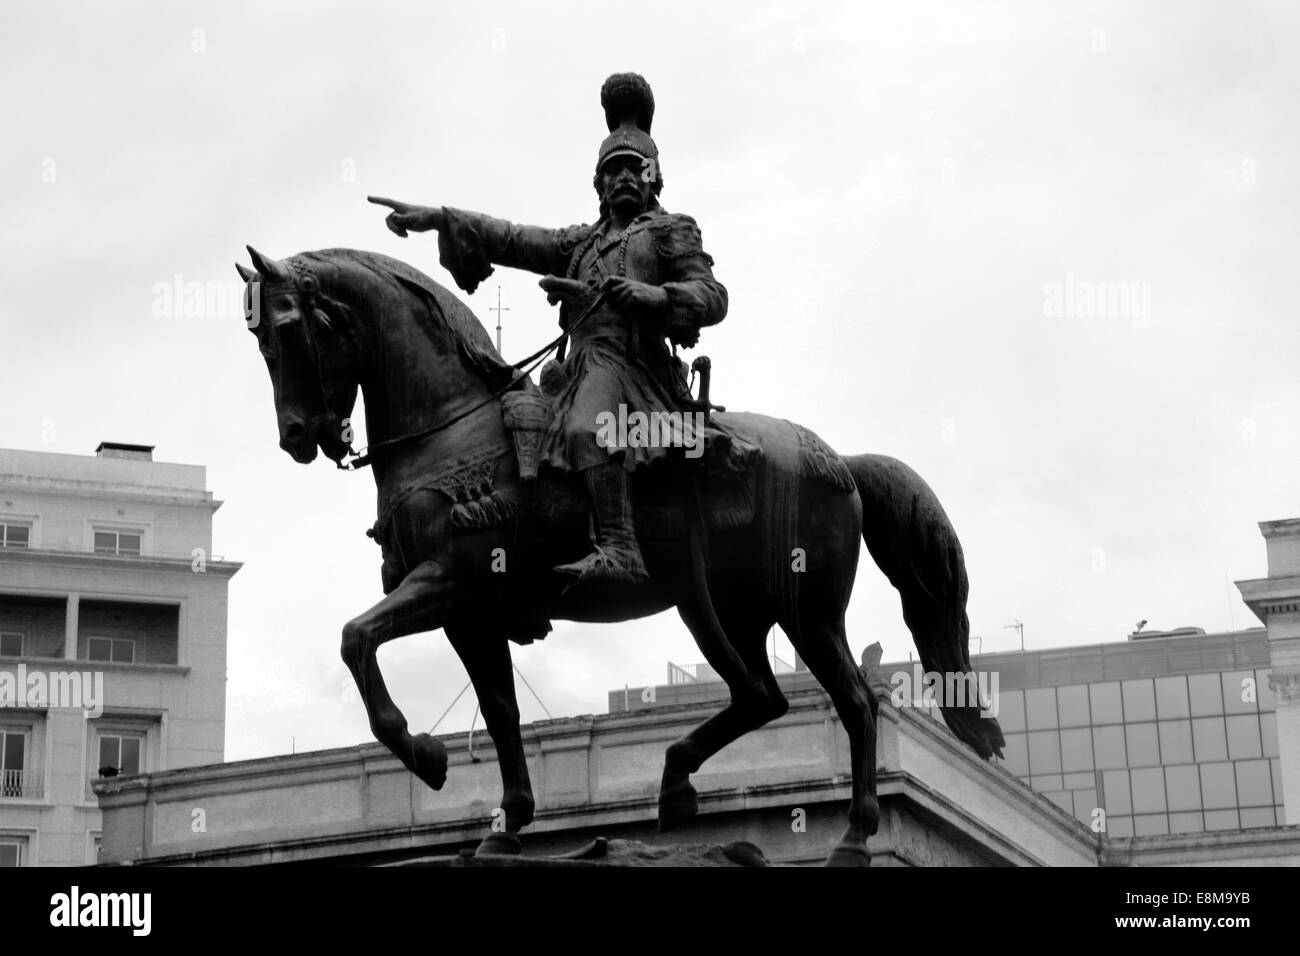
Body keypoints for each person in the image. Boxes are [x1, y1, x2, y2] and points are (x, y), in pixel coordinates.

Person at [369, 73, 731, 594]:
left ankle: (621, 548)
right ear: (599, 184)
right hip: (578, 369)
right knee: (514, 427)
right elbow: (511, 237)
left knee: (590, 429)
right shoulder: (579, 243)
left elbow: (711, 295)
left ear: (653, 177)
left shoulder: (669, 231)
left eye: (634, 168)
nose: (623, 177)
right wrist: (442, 218)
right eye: (612, 170)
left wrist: (650, 296)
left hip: (635, 370)